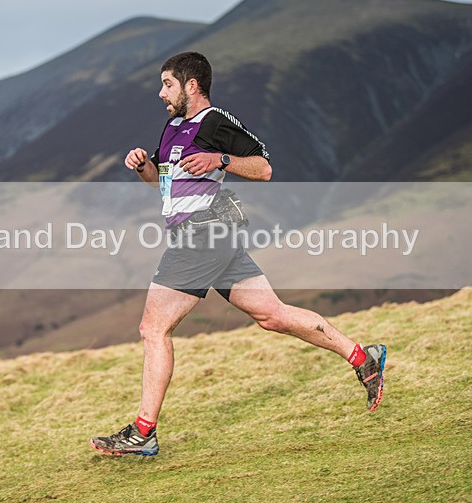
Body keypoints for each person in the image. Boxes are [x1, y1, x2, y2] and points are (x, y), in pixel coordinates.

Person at [90, 52, 386, 456]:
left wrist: (221, 159)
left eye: (167, 84)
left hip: (201, 235)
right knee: (272, 315)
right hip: (210, 236)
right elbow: (161, 183)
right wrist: (142, 165)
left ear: (192, 85)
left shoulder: (215, 122)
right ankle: (362, 357)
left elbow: (264, 169)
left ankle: (143, 433)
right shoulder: (173, 127)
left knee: (153, 329)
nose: (161, 93)